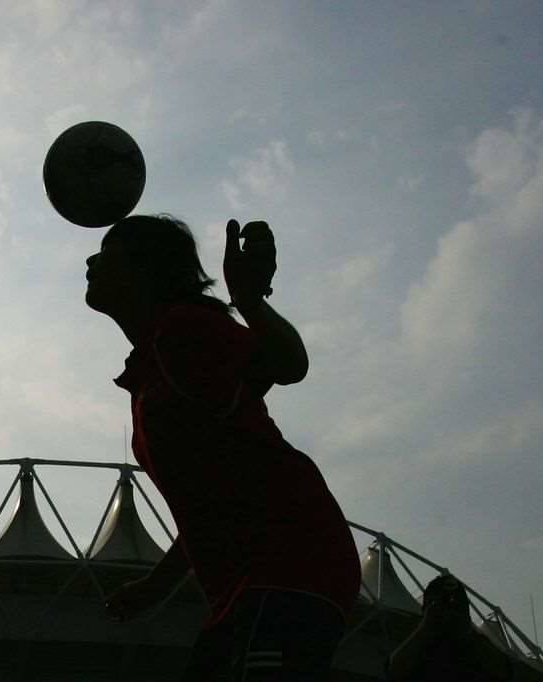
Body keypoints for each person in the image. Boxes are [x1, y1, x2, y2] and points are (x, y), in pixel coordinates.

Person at [90, 215, 359, 681]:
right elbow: (211, 497)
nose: (92, 260)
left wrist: (250, 300)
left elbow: (287, 364)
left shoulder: (184, 330)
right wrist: (157, 585)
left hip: (289, 566)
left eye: (109, 251)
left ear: (145, 268)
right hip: (248, 584)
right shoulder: (152, 364)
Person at [386, 574, 514, 681]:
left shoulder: (479, 647)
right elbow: (394, 669)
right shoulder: (414, 643)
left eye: (457, 606)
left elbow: (506, 671)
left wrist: (465, 632)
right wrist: (428, 625)